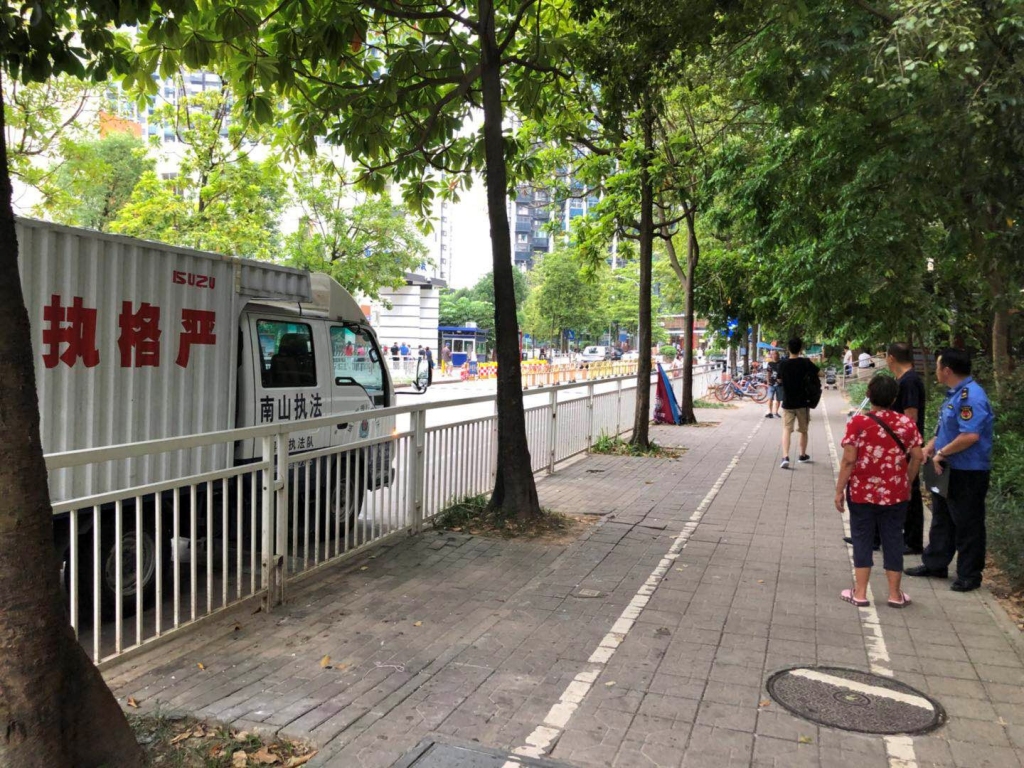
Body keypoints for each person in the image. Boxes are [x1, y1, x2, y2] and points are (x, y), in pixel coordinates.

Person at [905, 348, 994, 592]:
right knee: (942, 517)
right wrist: (929, 448)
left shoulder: (971, 397)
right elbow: (947, 430)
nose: (935, 370)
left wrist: (942, 453)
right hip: (945, 467)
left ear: (947, 370)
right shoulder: (954, 395)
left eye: (937, 366)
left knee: (967, 523)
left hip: (967, 471)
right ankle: (935, 563)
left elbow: (970, 436)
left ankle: (969, 575)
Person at [835, 375, 924, 608]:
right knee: (893, 538)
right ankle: (894, 594)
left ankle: (860, 593)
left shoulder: (858, 423)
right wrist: (907, 482)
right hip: (895, 492)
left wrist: (839, 490)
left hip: (862, 492)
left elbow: (848, 460)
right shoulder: (906, 423)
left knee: (862, 537)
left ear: (868, 394)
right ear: (894, 398)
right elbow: (917, 456)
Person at [887, 342, 927, 554]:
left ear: (891, 358)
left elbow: (911, 417)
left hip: (907, 447)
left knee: (909, 489)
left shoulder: (909, 381)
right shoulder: (903, 379)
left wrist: (903, 445)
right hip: (900, 446)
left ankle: (913, 541)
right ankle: (889, 535)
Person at [777, 337, 819, 469]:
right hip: (803, 402)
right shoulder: (806, 363)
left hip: (788, 402)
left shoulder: (783, 364)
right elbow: (819, 373)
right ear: (800, 349)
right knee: (803, 430)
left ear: (788, 349)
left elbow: (779, 380)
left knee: (786, 429)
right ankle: (802, 455)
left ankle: (785, 457)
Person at [764, 349, 783, 419]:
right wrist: (767, 381)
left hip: (780, 384)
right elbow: (768, 373)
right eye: (772, 354)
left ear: (778, 355)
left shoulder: (782, 363)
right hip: (771, 383)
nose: (773, 355)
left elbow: (784, 373)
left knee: (778, 399)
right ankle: (770, 412)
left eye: (774, 354)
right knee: (770, 398)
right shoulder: (770, 363)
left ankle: (776, 412)